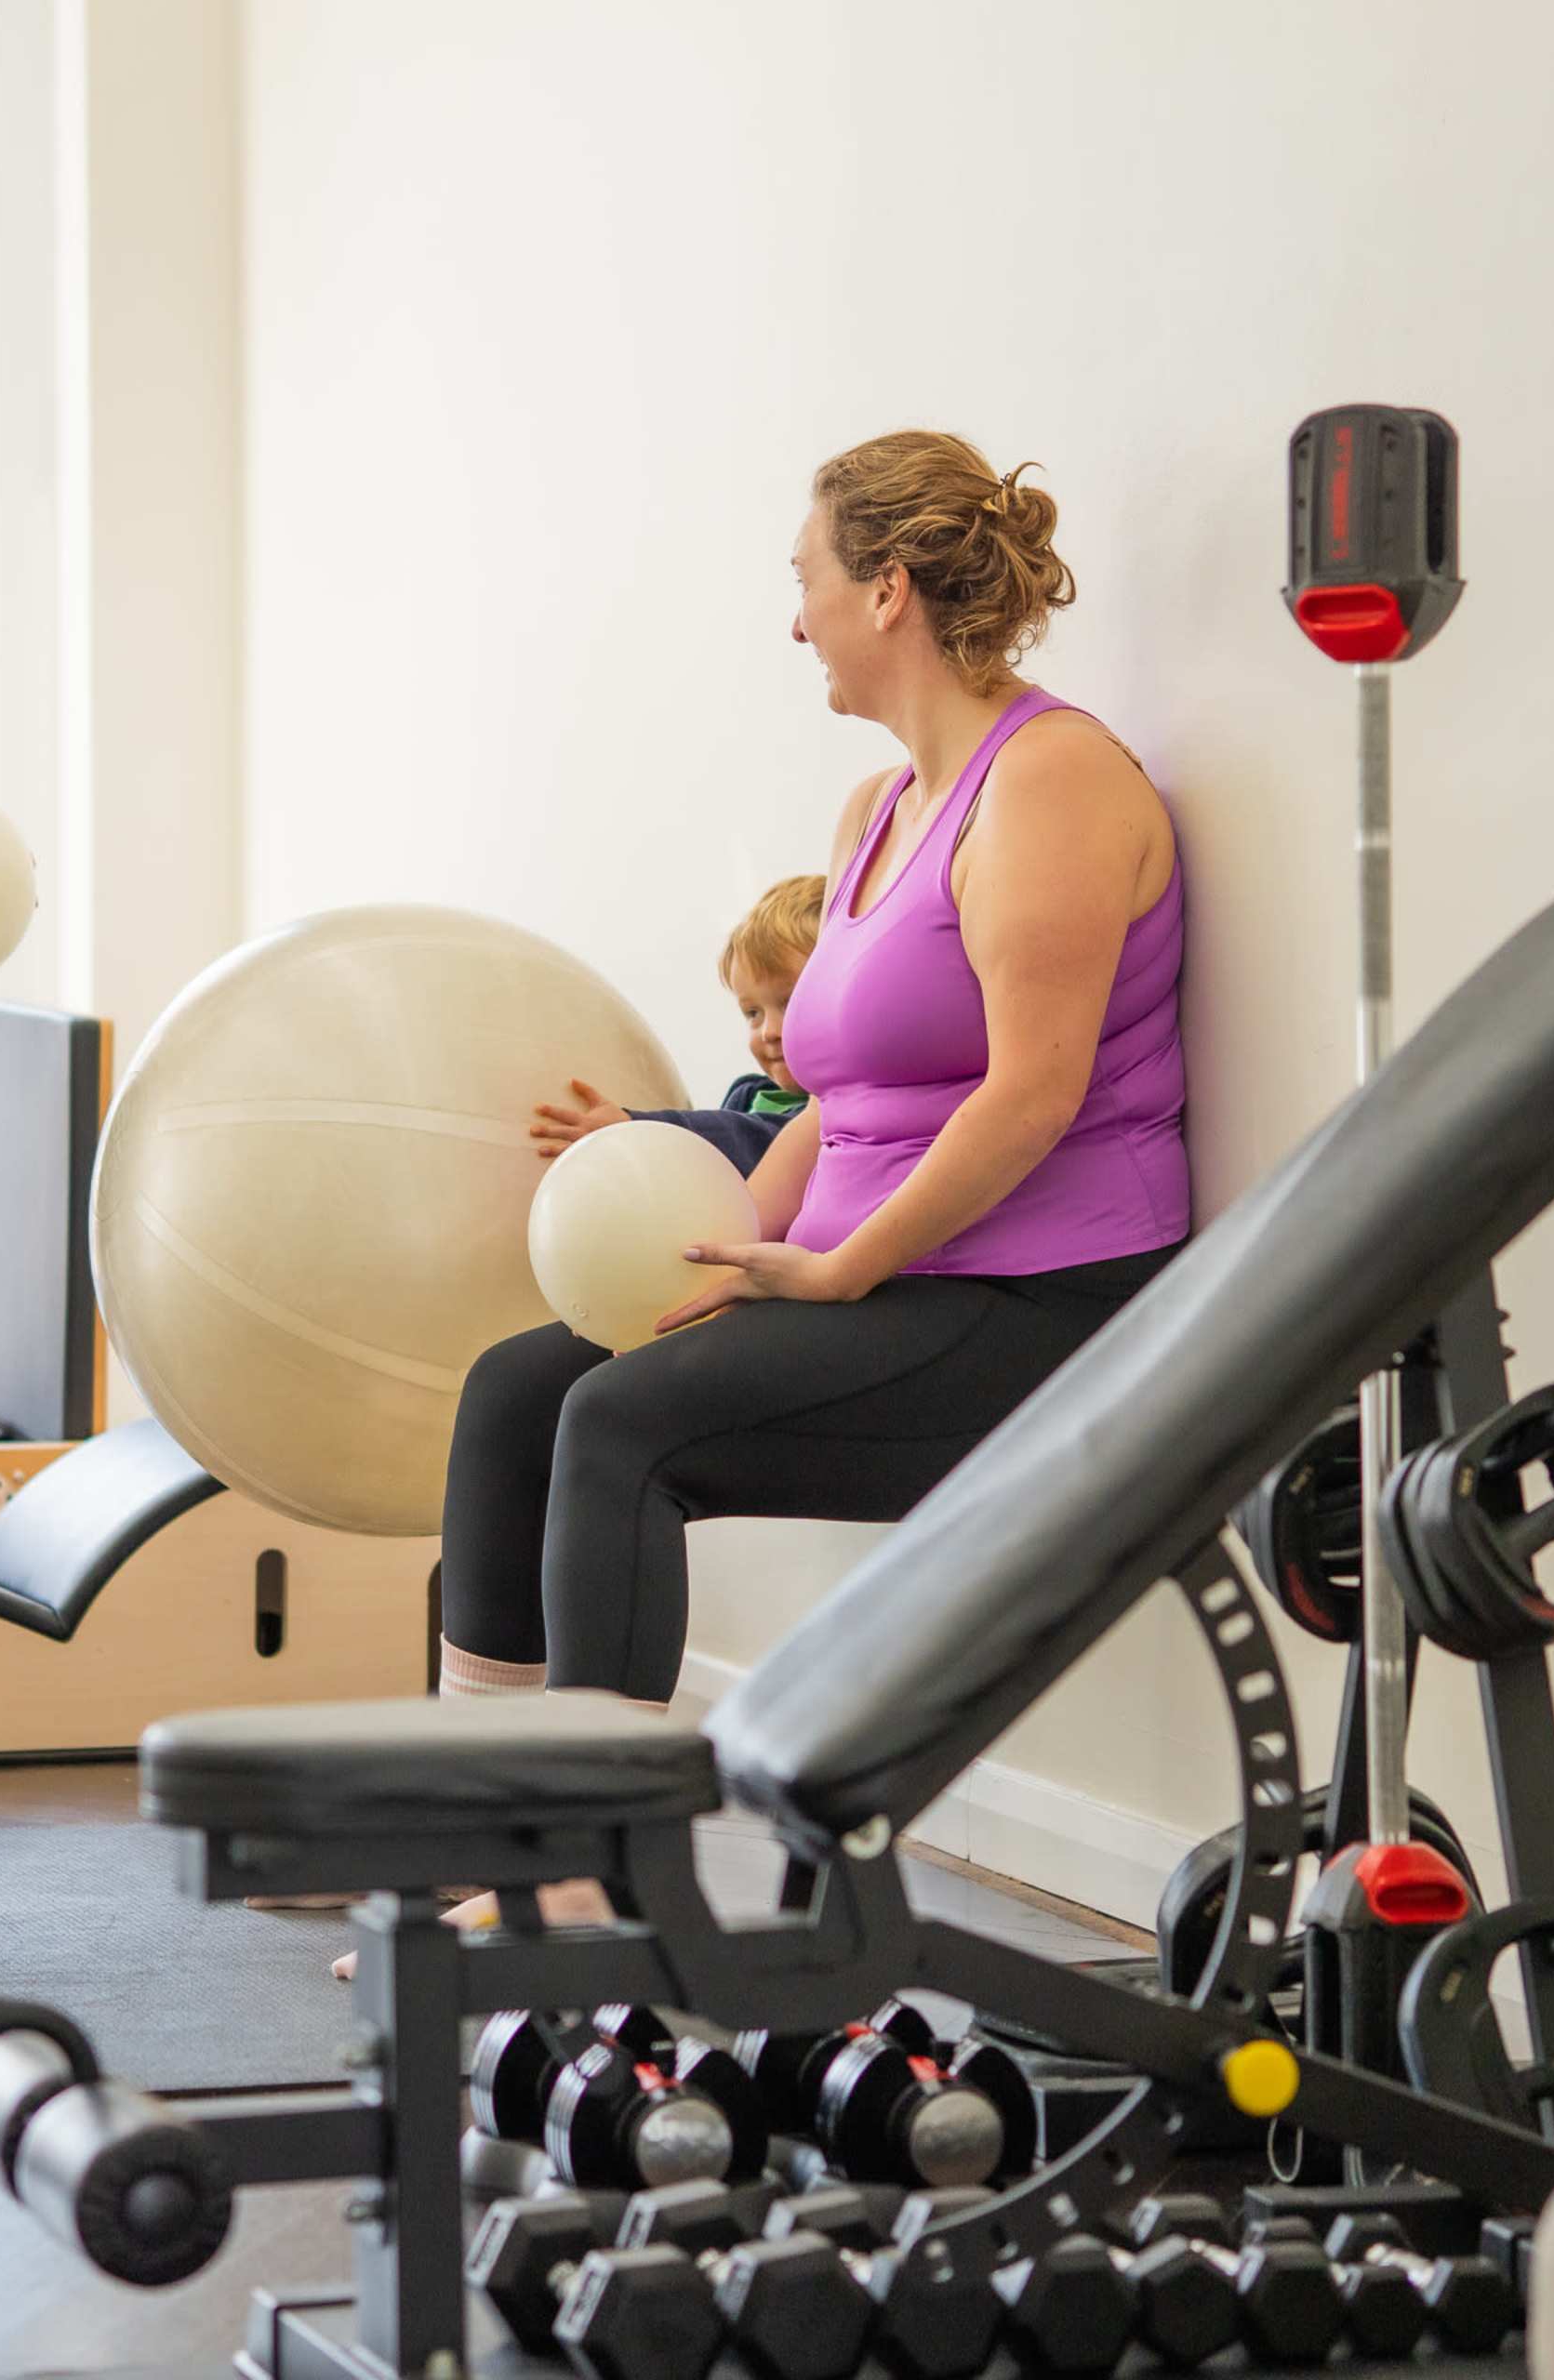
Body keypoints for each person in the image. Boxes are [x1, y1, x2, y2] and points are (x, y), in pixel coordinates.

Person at [441, 425, 1192, 1732]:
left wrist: (843, 1267)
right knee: (524, 1386)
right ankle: (483, 1804)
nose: (798, 625)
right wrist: (728, 1254)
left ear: (888, 588)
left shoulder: (1054, 779)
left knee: (624, 1423)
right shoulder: (877, 808)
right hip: (891, 1283)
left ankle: (572, 1872)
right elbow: (842, 1101)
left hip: (1036, 1303)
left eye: (808, 582)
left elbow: (1034, 1092)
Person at [529, 875, 825, 1174]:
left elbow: (759, 1140)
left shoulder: (840, 1115)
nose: (769, 1031)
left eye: (789, 1003)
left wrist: (639, 1129)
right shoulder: (747, 1097)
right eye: (752, 1013)